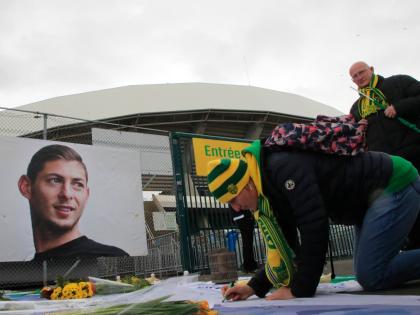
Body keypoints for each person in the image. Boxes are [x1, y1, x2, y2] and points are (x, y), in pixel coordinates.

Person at [206, 139, 420, 300]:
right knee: (365, 271)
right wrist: (253, 287)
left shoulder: (282, 168)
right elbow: (285, 246)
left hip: (392, 183)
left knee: (372, 275)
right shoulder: (267, 191)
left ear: (247, 184)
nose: (236, 208)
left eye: (233, 198)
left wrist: (299, 290)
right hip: (367, 201)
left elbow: (314, 227)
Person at [349, 61, 420, 249]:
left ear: (371, 69)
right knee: (406, 208)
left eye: (361, 72)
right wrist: (359, 127)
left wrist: (399, 107)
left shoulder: (398, 83)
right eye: (354, 76)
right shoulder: (356, 108)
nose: (358, 77)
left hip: (415, 153)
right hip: (389, 166)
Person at [18, 144, 129, 261]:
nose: (67, 194)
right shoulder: (21, 273)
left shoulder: (111, 259)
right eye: (55, 180)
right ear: (26, 187)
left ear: (86, 195)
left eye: (77, 184)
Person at [230, 207, 258, 273]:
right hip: (244, 218)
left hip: (241, 218)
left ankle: (249, 265)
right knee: (248, 243)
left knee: (247, 242)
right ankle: (249, 265)